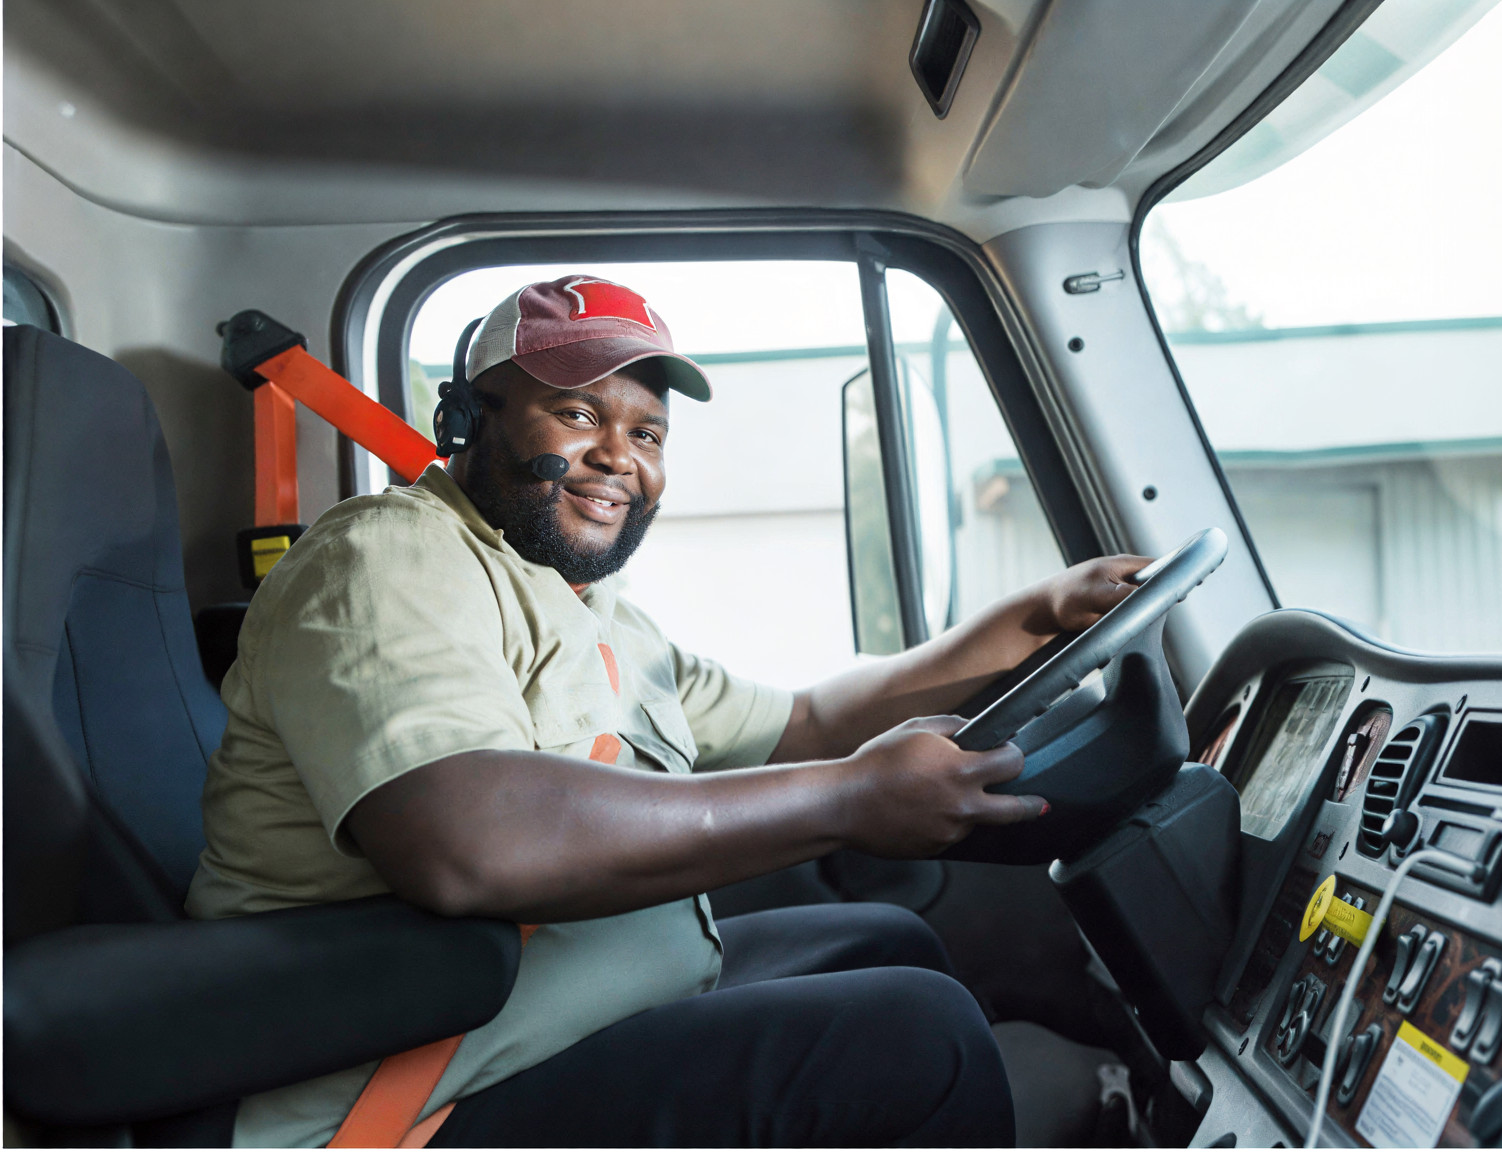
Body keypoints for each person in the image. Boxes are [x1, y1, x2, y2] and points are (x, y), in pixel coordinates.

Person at [187, 274, 1152, 1147]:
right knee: (919, 1039)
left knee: (884, 941)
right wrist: (850, 802)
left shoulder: (592, 610)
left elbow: (808, 723)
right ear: (464, 421)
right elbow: (468, 840)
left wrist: (1039, 615)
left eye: (646, 433)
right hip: (415, 1099)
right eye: (577, 412)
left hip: (557, 1016)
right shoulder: (389, 558)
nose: (619, 457)